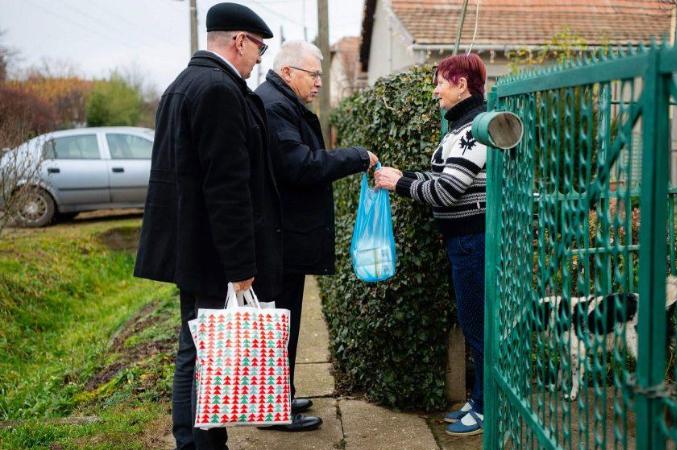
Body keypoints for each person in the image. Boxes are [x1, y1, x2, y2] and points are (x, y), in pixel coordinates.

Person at [133, 3, 280, 449]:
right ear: (239, 41)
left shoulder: (184, 84)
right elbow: (226, 187)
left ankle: (194, 441)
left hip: (191, 246)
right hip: (214, 252)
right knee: (204, 354)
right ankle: (199, 444)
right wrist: (240, 266)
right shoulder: (218, 89)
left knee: (196, 349)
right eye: (259, 47)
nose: (259, 59)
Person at [254, 40, 378, 432]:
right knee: (280, 321)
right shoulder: (275, 107)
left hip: (284, 234)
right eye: (314, 74)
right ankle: (275, 408)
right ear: (288, 72)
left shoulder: (280, 101)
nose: (320, 83)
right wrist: (357, 156)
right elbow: (300, 166)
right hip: (280, 237)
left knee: (284, 321)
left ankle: (280, 394)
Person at [374, 53, 488, 437]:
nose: (436, 89)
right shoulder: (459, 128)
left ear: (461, 84)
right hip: (463, 242)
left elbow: (448, 190)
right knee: (473, 325)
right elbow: (443, 176)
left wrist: (399, 184)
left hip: (474, 242)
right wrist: (404, 176)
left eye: (441, 81)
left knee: (479, 329)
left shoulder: (475, 129)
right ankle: (477, 402)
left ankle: (485, 409)